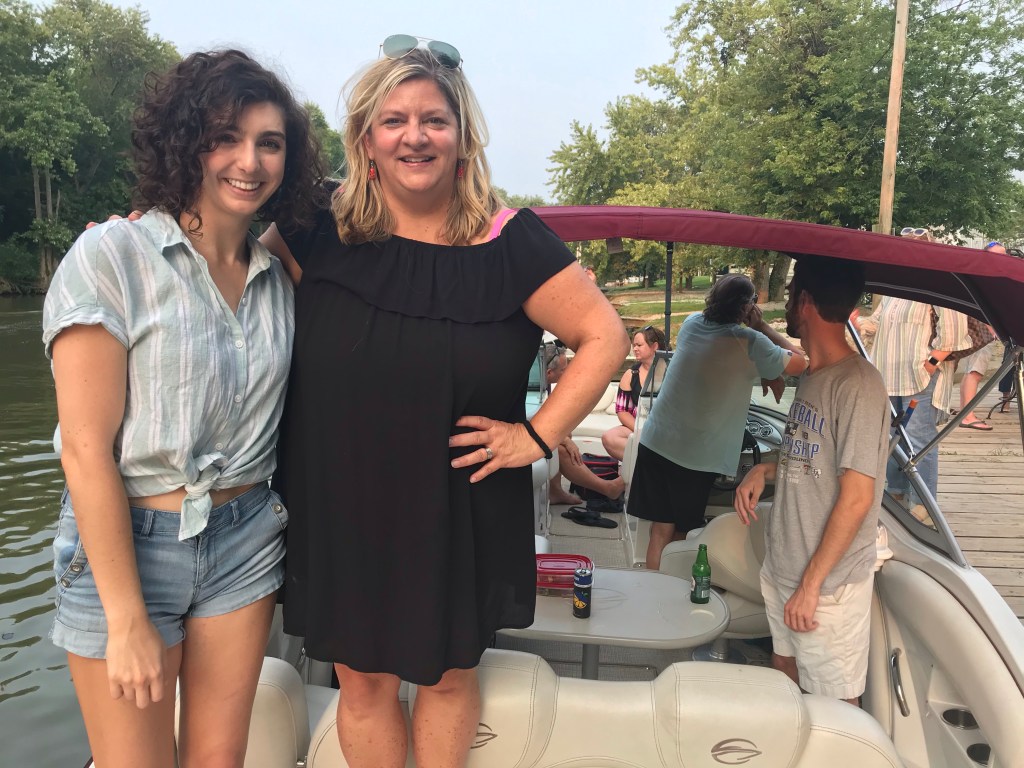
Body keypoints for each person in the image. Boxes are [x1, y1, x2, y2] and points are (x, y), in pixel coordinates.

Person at [262, 40, 627, 768]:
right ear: (366, 138)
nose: (415, 136)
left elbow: (605, 336)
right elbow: (221, 271)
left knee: (449, 677)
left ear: (462, 136)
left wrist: (536, 436)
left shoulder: (510, 241)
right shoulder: (315, 228)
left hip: (459, 506)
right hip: (340, 501)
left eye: (434, 120)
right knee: (361, 682)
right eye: (394, 120)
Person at [42, 50, 323, 767]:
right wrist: (125, 616)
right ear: (186, 141)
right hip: (129, 545)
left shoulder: (279, 278)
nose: (249, 161)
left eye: (269, 142)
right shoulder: (114, 255)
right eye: (224, 137)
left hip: (245, 537)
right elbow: (85, 450)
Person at [734, 257, 889, 705]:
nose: (786, 303)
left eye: (790, 294)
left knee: (836, 708)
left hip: (828, 587)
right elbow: (811, 454)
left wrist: (811, 586)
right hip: (785, 564)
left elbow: (857, 497)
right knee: (784, 675)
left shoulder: (858, 385)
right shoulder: (814, 375)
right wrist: (764, 469)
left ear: (805, 301)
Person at [628, 275, 807, 570]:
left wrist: (766, 371)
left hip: (658, 441)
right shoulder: (751, 341)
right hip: (693, 456)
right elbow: (801, 362)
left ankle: (653, 587)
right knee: (682, 534)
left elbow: (716, 363)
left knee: (660, 530)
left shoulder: (691, 324)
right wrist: (761, 327)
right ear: (747, 307)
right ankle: (672, 590)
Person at [859, 227, 970, 502]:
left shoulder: (939, 284)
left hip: (920, 378)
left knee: (918, 441)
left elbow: (955, 331)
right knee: (892, 438)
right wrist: (854, 320)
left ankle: (923, 505)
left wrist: (931, 363)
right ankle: (897, 498)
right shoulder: (896, 287)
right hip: (887, 376)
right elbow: (877, 323)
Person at [543, 344, 626, 505]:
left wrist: (565, 437)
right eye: (563, 370)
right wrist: (566, 441)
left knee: (566, 434)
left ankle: (555, 491)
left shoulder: (543, 385)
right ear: (549, 372)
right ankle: (607, 488)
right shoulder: (530, 389)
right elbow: (533, 423)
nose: (566, 372)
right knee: (560, 448)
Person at [956, 241, 1005, 430]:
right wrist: (990, 329)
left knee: (971, 371)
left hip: (974, 331)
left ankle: (964, 412)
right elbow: (979, 306)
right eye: (996, 255)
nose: (1002, 259)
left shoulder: (986, 275)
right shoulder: (985, 277)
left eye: (1004, 255)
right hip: (980, 332)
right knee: (975, 372)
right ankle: (968, 416)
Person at [601, 324, 668, 461]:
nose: (635, 349)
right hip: (640, 426)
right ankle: (648, 462)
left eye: (639, 345)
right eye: (634, 345)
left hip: (668, 428)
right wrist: (641, 431)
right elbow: (623, 411)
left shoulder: (672, 371)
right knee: (609, 437)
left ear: (655, 346)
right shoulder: (630, 374)